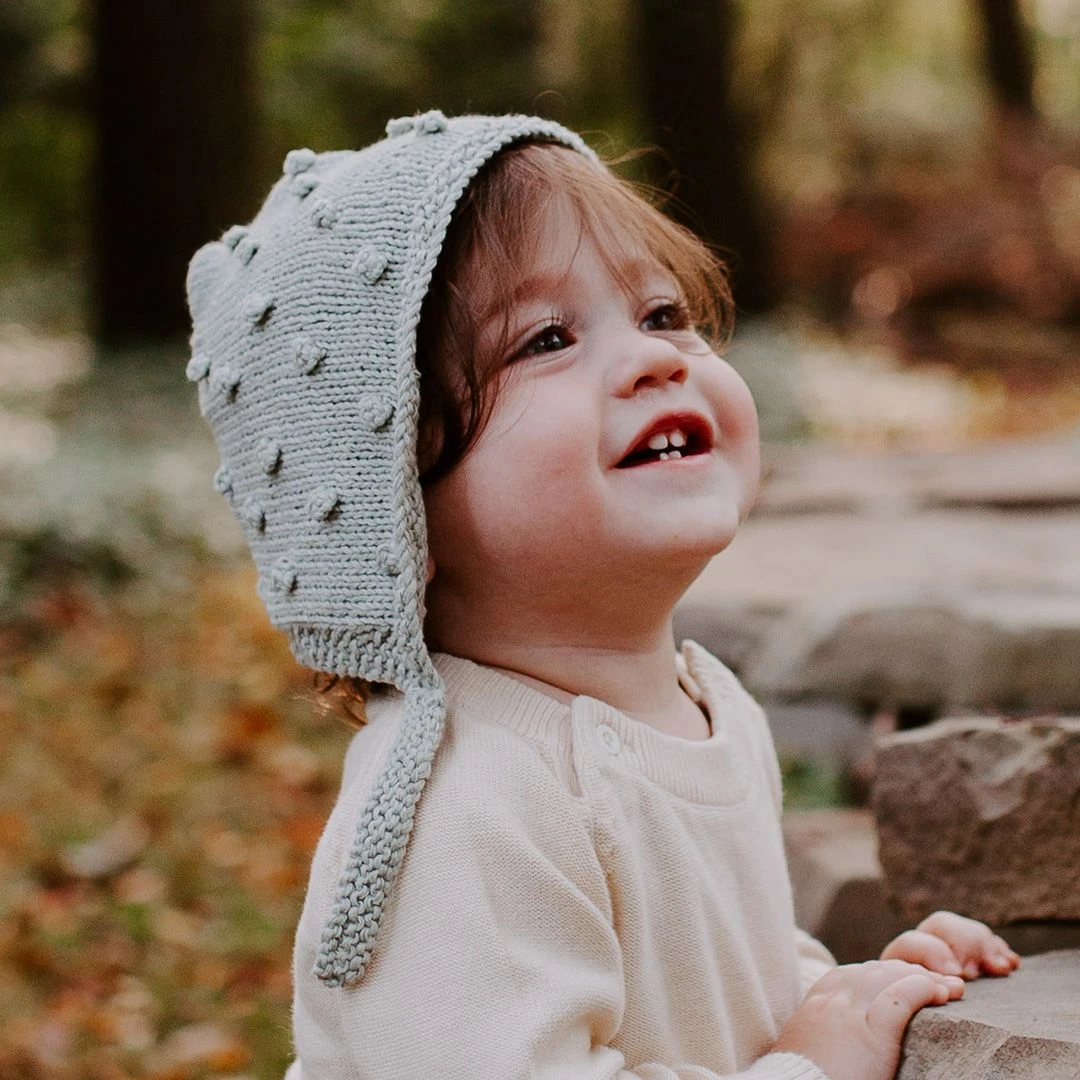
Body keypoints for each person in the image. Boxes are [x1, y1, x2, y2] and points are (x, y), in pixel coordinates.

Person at [185, 111, 1020, 1080]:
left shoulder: (709, 708)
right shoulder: (466, 809)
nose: (657, 357)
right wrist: (812, 1071)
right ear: (388, 501)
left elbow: (713, 1002)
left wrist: (846, 1000)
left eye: (664, 314)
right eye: (546, 338)